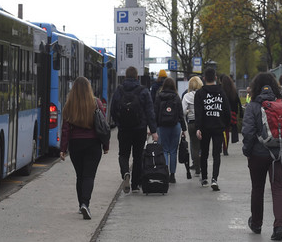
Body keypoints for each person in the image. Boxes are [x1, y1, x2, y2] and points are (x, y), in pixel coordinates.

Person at [242, 72, 282, 241]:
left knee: (257, 188)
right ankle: (279, 227)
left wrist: (247, 151)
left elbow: (248, 131)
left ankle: (257, 223)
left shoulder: (253, 106)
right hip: (279, 154)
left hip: (258, 155)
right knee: (278, 188)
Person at [59, 76, 109, 220]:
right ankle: (85, 203)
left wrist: (63, 148)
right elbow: (103, 126)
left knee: (80, 176)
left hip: (76, 144)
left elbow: (65, 129)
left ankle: (81, 204)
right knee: (89, 176)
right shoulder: (96, 103)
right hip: (93, 144)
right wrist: (105, 145)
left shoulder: (69, 105)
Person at [110, 66, 158, 194]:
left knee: (123, 154)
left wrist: (118, 122)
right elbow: (150, 111)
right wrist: (153, 130)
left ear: (125, 76)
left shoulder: (119, 90)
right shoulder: (143, 91)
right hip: (140, 129)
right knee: (138, 156)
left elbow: (113, 109)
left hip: (124, 129)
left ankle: (125, 172)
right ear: (137, 77)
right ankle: (135, 185)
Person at [194, 67, 231, 191]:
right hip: (218, 127)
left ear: (204, 78)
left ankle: (204, 178)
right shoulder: (221, 92)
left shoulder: (200, 93)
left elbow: (198, 112)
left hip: (204, 127)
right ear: (215, 78)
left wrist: (198, 127)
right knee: (216, 154)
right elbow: (227, 110)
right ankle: (214, 179)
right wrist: (226, 124)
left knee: (204, 153)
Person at [153, 77, 187, 183]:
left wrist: (153, 128)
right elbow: (181, 114)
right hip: (175, 125)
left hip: (162, 126)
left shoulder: (159, 96)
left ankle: (165, 173)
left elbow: (155, 112)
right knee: (173, 151)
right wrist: (184, 129)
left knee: (164, 150)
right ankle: (172, 175)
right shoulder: (176, 97)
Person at [182, 76, 203, 176]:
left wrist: (188, 111)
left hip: (191, 123)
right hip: (203, 123)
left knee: (194, 146)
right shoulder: (204, 94)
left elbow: (182, 111)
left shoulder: (187, 96)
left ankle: (197, 167)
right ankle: (203, 166)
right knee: (203, 145)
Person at [220, 74, 242, 156]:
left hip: (221, 114)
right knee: (227, 131)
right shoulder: (233, 92)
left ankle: (219, 147)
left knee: (220, 131)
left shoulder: (221, 91)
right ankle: (225, 148)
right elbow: (236, 104)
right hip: (231, 114)